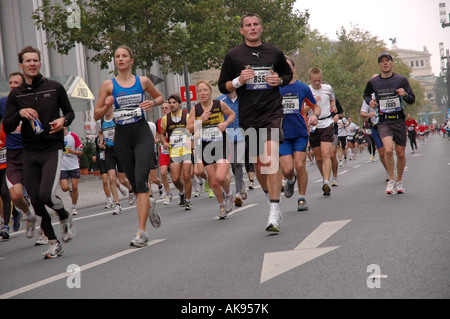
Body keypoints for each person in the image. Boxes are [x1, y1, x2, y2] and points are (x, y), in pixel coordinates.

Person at [218, 12, 292, 232]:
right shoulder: (234, 55)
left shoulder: (274, 52)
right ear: (242, 30)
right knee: (260, 167)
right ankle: (272, 196)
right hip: (249, 117)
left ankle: (274, 212)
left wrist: (279, 80)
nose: (252, 28)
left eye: (256, 24)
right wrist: (239, 80)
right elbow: (223, 86)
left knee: (270, 160)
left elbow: (287, 74)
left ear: (261, 27)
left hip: (271, 112)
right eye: (248, 25)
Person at [4, 46, 75, 259]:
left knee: (45, 195)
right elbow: (7, 126)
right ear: (21, 65)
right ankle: (54, 242)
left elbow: (70, 113)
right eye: (28, 61)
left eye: (35, 60)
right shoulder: (16, 95)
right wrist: (19, 113)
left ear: (40, 63)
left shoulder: (54, 87)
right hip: (30, 151)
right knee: (35, 200)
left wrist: (64, 120)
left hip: (52, 148)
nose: (32, 64)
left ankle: (64, 215)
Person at [94, 45, 163, 247]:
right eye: (117, 56)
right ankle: (147, 203)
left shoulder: (143, 81)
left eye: (125, 56)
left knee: (141, 181)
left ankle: (141, 232)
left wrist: (153, 103)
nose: (121, 59)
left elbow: (159, 97)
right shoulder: (108, 85)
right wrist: (107, 105)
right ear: (114, 61)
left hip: (142, 134)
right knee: (134, 184)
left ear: (132, 60)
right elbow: (97, 115)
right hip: (122, 137)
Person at [363, 52, 415, 194]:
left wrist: (404, 94)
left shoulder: (401, 80)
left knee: (401, 153)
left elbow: (412, 99)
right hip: (384, 120)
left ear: (392, 63)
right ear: (379, 65)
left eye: (387, 60)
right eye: (382, 61)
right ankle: (391, 179)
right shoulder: (374, 82)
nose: (385, 63)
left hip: (398, 119)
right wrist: (370, 102)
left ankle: (399, 182)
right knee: (387, 150)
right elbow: (366, 94)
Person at [187, 80, 236, 219]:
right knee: (213, 181)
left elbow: (232, 115)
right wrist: (200, 120)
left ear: (210, 92)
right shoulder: (195, 109)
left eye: (205, 90)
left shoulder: (219, 104)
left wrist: (226, 123)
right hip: (206, 147)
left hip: (222, 144)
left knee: (221, 177)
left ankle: (228, 194)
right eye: (200, 91)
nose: (203, 93)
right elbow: (188, 129)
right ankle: (221, 205)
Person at [279, 57, 319, 211]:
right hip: (282, 134)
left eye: (289, 66)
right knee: (288, 170)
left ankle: (302, 197)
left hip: (300, 132)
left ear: (294, 69)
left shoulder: (302, 88)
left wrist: (315, 115)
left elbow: (315, 106)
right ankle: (290, 180)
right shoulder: (275, 89)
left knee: (300, 164)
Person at [0, 71, 37, 239]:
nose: (13, 86)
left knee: (39, 194)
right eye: (11, 83)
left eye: (17, 83)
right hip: (13, 154)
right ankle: (28, 215)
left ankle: (45, 233)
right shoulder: (3, 103)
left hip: (31, 150)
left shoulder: (31, 99)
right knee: (15, 195)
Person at [98, 103, 135, 215]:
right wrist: (100, 142)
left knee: (122, 179)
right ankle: (117, 204)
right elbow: (100, 133)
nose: (107, 110)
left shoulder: (117, 118)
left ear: (112, 108)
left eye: (109, 107)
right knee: (112, 178)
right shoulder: (101, 121)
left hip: (120, 150)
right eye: (105, 108)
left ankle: (131, 189)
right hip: (108, 151)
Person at [160, 94, 193, 210]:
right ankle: (182, 191)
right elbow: (162, 135)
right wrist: (164, 142)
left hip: (186, 150)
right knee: (175, 178)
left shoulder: (187, 116)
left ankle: (188, 201)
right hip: (174, 151)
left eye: (174, 102)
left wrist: (191, 139)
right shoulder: (165, 119)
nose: (171, 105)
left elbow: (194, 131)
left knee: (186, 175)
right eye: (170, 103)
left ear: (179, 104)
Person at [216, 90, 248, 207]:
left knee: (237, 163)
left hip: (241, 135)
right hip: (225, 137)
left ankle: (238, 192)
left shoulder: (244, 98)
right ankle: (232, 188)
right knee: (227, 165)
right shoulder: (220, 101)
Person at [308, 67, 337, 196]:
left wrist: (333, 106)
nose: (317, 83)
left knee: (326, 154)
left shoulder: (327, 88)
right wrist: (312, 104)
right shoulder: (307, 90)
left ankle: (327, 181)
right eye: (314, 81)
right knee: (318, 157)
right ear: (310, 80)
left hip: (327, 123)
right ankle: (324, 177)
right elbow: (302, 110)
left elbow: (332, 99)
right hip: (313, 125)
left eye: (319, 80)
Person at [60, 127, 83, 215]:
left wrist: (72, 151)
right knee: (64, 188)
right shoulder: (57, 137)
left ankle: (74, 207)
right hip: (62, 166)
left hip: (73, 165)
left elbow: (80, 152)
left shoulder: (73, 136)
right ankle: (70, 190)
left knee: (75, 187)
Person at [155, 102, 173, 205]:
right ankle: (168, 193)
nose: (164, 109)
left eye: (166, 108)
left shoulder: (174, 119)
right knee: (162, 172)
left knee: (177, 176)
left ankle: (182, 193)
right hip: (164, 150)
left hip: (175, 149)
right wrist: (156, 139)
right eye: (163, 108)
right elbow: (158, 135)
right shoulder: (159, 121)